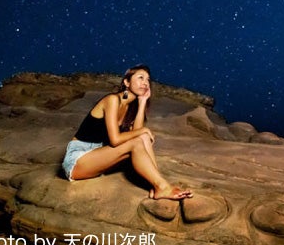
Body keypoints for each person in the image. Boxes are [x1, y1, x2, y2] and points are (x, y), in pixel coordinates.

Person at [61, 64, 192, 200]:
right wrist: (144, 130)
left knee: (143, 138)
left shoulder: (130, 108)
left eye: (148, 80)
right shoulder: (112, 100)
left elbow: (137, 134)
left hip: (99, 155)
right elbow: (115, 140)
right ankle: (162, 187)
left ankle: (157, 186)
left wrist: (142, 102)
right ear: (126, 82)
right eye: (140, 78)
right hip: (78, 159)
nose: (145, 83)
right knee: (140, 137)